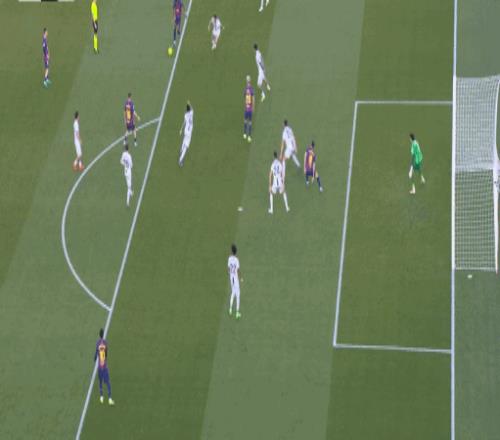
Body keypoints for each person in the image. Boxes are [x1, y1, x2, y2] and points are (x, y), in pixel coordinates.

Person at [94, 328, 114, 405]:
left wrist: (95, 358)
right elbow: (106, 353)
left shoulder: (97, 343)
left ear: (99, 335)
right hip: (104, 367)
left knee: (100, 382)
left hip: (99, 367)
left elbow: (95, 355)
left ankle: (101, 397)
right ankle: (109, 398)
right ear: (103, 334)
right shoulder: (105, 343)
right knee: (108, 382)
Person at [228, 244, 242, 319]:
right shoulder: (236, 260)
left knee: (233, 292)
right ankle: (237, 312)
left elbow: (228, 269)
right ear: (236, 252)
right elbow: (238, 270)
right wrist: (241, 278)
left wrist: (230, 274)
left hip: (231, 278)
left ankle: (230, 309)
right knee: (238, 294)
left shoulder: (229, 258)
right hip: (235, 279)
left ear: (231, 251)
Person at [178, 101, 194, 166]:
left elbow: (184, 122)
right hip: (189, 132)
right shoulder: (192, 112)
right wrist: (189, 103)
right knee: (186, 146)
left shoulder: (185, 115)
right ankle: (180, 160)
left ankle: (181, 149)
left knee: (184, 139)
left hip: (185, 130)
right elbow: (191, 108)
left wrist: (181, 129)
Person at [243, 76, 255, 143]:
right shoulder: (252, 90)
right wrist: (253, 107)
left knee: (245, 121)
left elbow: (244, 97)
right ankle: (249, 136)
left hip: (246, 109)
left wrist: (246, 104)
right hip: (249, 109)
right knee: (249, 122)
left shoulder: (245, 89)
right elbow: (253, 99)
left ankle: (245, 133)